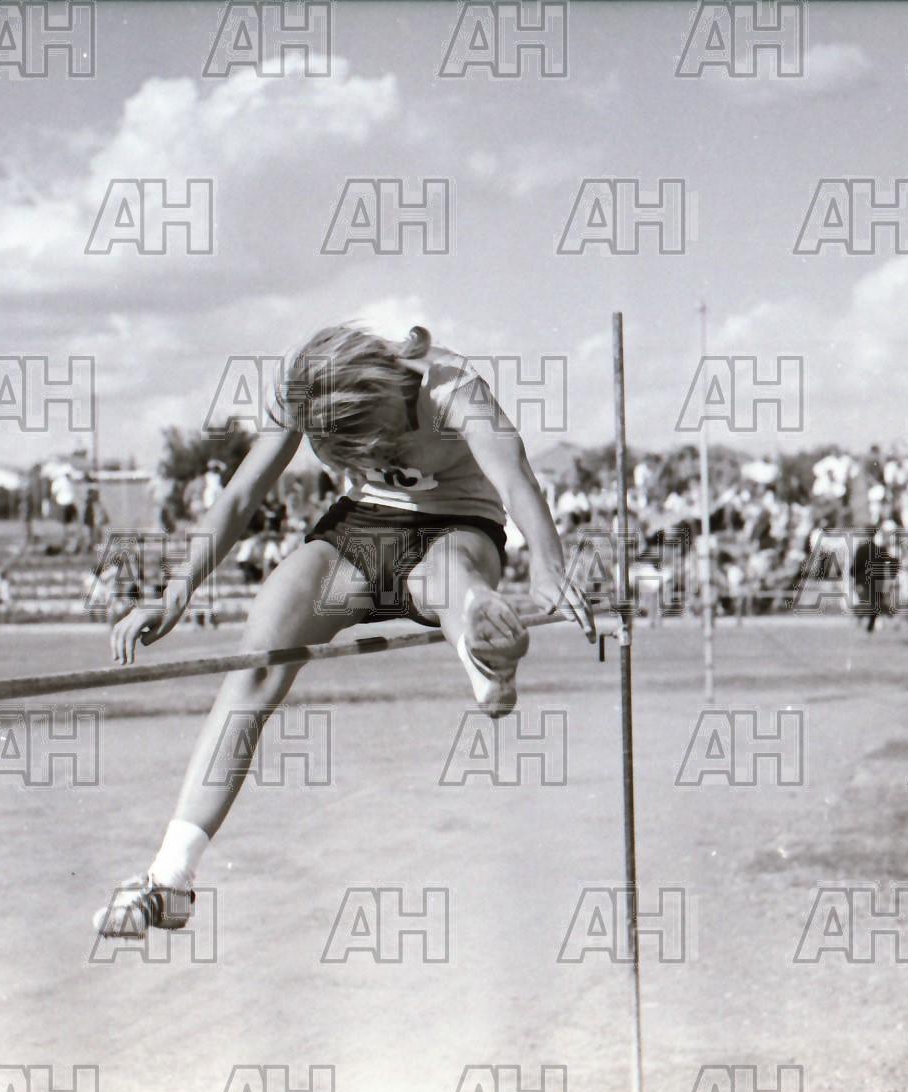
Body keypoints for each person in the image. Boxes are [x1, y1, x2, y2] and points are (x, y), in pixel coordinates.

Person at [94, 324, 595, 938]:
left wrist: (548, 565)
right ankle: (170, 877)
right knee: (260, 651)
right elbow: (244, 491)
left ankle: (479, 642)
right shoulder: (303, 386)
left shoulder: (450, 385)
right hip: (361, 524)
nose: (386, 455)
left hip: (459, 520)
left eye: (384, 439)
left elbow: (515, 477)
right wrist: (177, 589)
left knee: (445, 575)